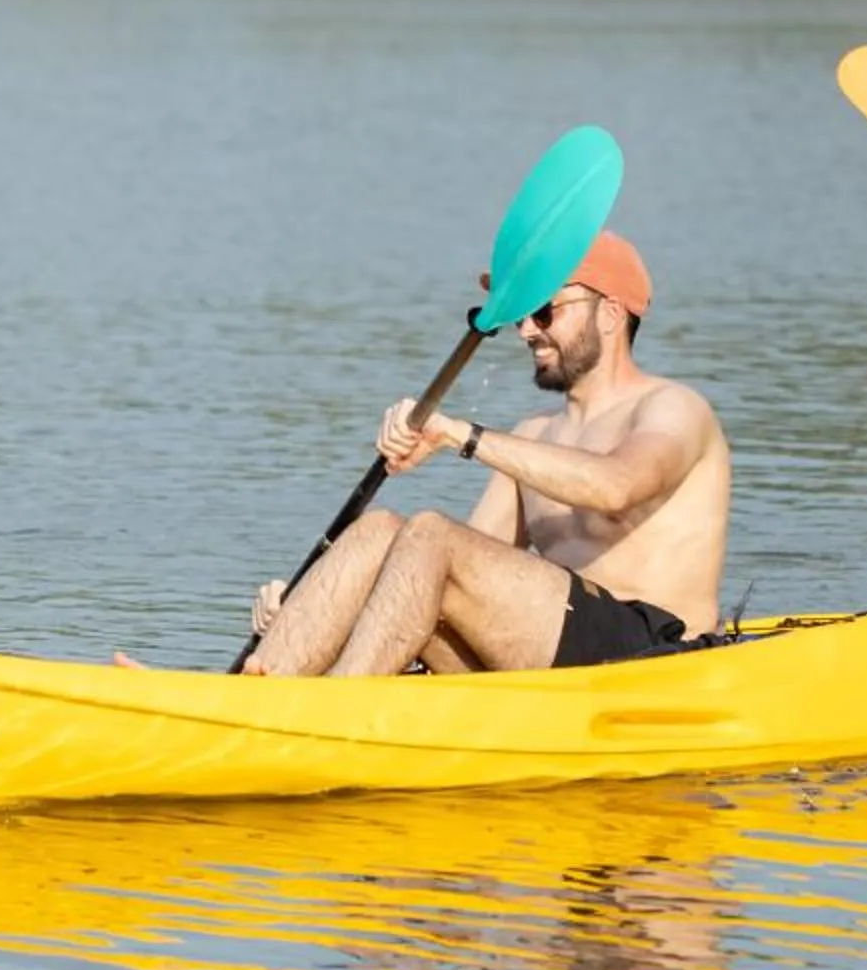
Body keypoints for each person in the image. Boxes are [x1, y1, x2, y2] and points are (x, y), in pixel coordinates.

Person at [244, 232, 731, 679]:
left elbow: (615, 486)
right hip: (554, 658)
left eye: (544, 311)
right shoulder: (534, 432)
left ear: (610, 314)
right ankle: (267, 689)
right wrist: (309, 605)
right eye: (522, 315)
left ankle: (334, 717)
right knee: (382, 533)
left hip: (656, 653)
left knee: (432, 532)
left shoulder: (674, 408)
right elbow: (448, 572)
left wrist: (461, 435)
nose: (526, 330)